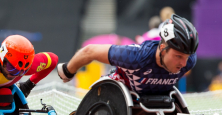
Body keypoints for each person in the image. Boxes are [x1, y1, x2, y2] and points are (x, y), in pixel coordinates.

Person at [58, 14, 198, 95]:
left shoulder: (190, 61)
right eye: (178, 56)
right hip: (121, 94)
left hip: (156, 102)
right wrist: (67, 71)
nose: (184, 64)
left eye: (186, 57)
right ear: (162, 48)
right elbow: (90, 51)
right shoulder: (135, 56)